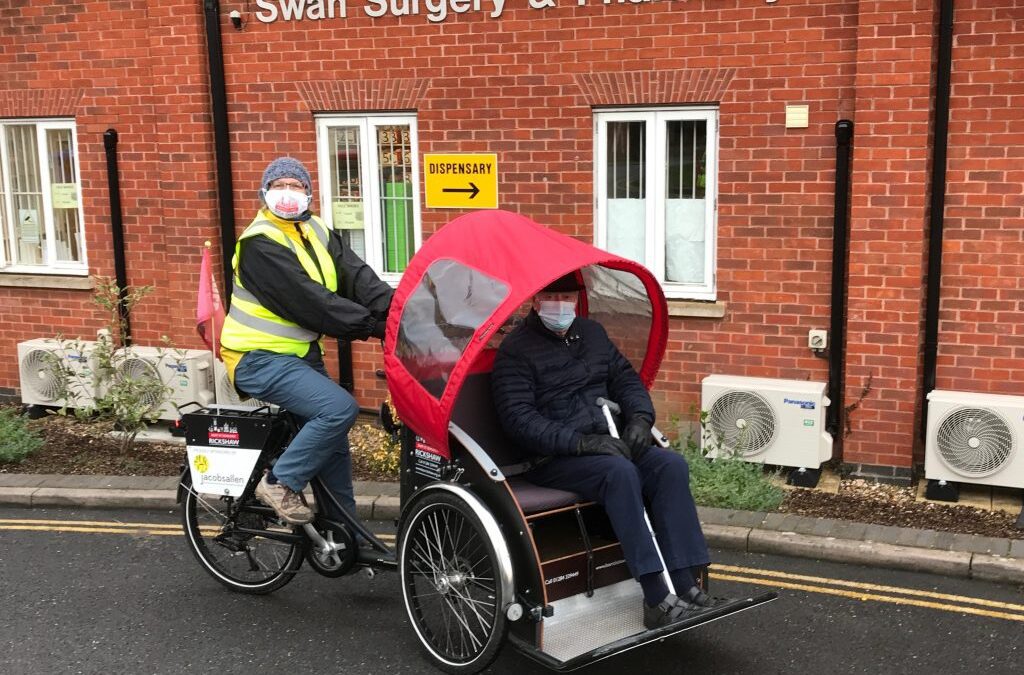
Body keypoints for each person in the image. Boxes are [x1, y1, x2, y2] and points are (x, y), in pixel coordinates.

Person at [491, 272, 721, 629]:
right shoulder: (516, 350)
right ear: (535, 302)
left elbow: (626, 379)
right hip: (553, 456)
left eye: (568, 298)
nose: (561, 306)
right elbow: (519, 421)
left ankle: (686, 582)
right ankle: (656, 595)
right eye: (553, 298)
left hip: (607, 441)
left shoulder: (593, 334)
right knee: (620, 473)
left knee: (669, 466)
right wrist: (581, 443)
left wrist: (641, 420)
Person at [219, 157, 393, 525]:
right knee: (338, 410)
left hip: (299, 356)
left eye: (295, 186)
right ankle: (280, 482)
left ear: (309, 194)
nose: (288, 192)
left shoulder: (316, 229)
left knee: (333, 448)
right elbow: (310, 302)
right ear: (264, 193)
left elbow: (358, 277)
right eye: (279, 185)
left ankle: (344, 536)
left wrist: (399, 312)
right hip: (256, 358)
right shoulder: (258, 243)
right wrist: (374, 327)